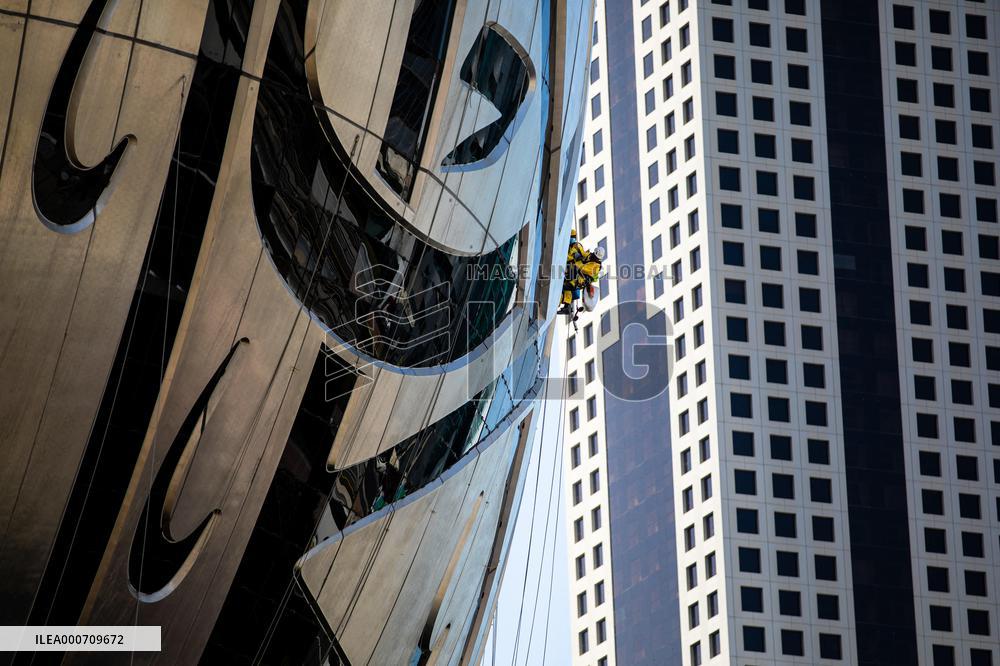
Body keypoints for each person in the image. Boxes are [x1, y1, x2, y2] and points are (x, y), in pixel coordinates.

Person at [558, 230, 603, 316]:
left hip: (580, 279)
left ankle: (566, 305)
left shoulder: (595, 266)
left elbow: (583, 268)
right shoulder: (591, 256)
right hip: (574, 271)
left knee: (568, 285)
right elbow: (585, 255)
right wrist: (580, 252)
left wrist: (577, 260)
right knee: (567, 285)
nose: (594, 255)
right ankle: (567, 306)